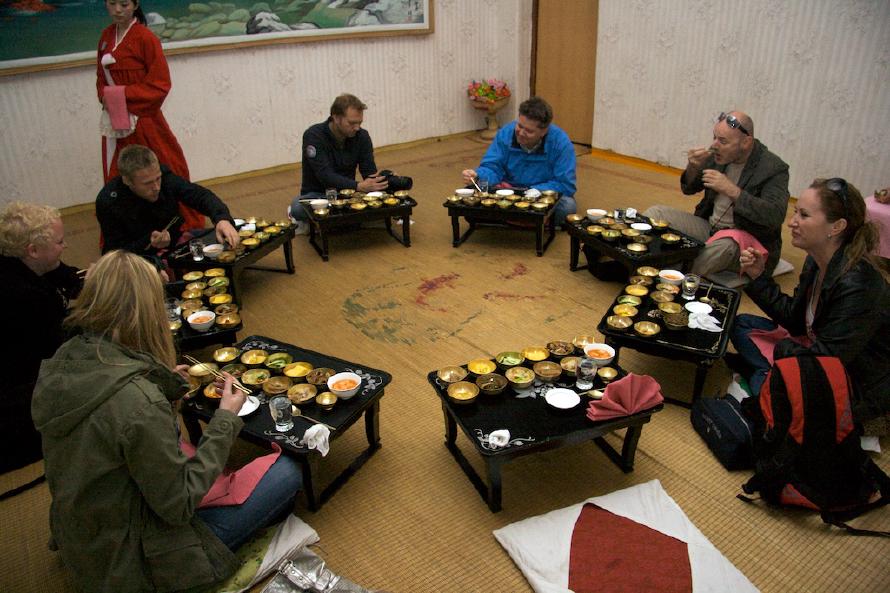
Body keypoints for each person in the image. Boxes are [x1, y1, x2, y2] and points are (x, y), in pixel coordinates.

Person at [32, 250, 302, 593]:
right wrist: (224, 419)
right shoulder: (138, 404)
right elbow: (178, 504)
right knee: (288, 472)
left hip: (87, 536)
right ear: (145, 312)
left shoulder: (63, 361)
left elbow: (112, 424)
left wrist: (159, 384)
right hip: (134, 562)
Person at [730, 178, 890, 430]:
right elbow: (796, 321)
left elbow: (827, 362)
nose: (792, 222)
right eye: (795, 212)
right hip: (813, 347)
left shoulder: (860, 285)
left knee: (774, 414)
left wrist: (783, 350)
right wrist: (758, 278)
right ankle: (766, 376)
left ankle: (766, 379)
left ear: (836, 226)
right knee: (740, 323)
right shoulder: (817, 259)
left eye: (803, 215)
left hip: (852, 382)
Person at [97, 0, 204, 231]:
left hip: (144, 119)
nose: (117, 10)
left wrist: (122, 94)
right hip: (116, 119)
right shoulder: (106, 36)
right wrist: (108, 99)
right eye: (112, 3)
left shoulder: (146, 38)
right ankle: (126, 230)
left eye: (124, 4)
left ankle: (177, 224)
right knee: (119, 174)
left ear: (135, 5)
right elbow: (100, 80)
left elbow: (160, 84)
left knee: (163, 169)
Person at [645, 111, 790, 278]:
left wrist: (732, 190)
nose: (714, 145)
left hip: (746, 243)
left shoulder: (773, 168)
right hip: (711, 228)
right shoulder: (719, 154)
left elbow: (774, 215)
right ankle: (644, 263)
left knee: (724, 247)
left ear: (746, 142)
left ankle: (669, 278)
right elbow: (689, 188)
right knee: (655, 214)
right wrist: (693, 167)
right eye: (714, 137)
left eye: (722, 141)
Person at [0, 203, 82, 475]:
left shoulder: (24, 262)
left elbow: (64, 274)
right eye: (59, 242)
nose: (65, 246)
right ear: (33, 250)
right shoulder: (22, 296)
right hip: (20, 388)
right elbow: (57, 352)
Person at [96, 145, 240, 267]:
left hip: (176, 241)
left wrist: (222, 219)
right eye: (147, 183)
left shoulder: (165, 178)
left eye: (157, 178)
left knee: (223, 238)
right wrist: (149, 242)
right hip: (139, 257)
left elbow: (200, 196)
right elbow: (115, 253)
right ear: (127, 181)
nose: (156, 187)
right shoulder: (110, 202)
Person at [461, 96, 577, 226]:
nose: (521, 133)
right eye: (520, 126)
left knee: (568, 207)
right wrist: (477, 176)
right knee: (471, 190)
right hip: (508, 189)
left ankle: (507, 217)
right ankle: (531, 219)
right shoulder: (505, 133)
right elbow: (493, 168)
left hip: (540, 193)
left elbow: (565, 184)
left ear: (544, 131)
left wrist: (534, 191)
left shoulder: (561, 142)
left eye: (529, 131)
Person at [289, 93, 390, 234]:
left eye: (360, 123)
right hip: (319, 195)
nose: (357, 128)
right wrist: (358, 186)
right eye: (352, 123)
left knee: (388, 199)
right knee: (297, 208)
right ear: (336, 118)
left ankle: (330, 222)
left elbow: (369, 172)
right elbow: (325, 175)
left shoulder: (362, 136)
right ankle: (345, 220)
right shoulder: (314, 135)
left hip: (348, 194)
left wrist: (386, 178)